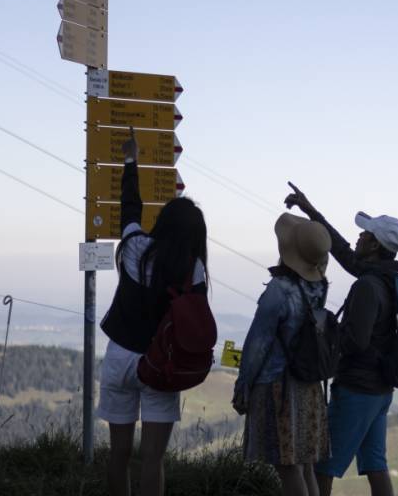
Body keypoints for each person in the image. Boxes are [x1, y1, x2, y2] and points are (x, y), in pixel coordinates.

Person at [96, 128, 209, 496]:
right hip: (162, 365)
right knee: (153, 459)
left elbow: (130, 207)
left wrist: (132, 159)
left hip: (120, 358)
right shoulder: (194, 270)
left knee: (119, 454)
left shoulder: (134, 248)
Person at [285, 183, 398, 496]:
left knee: (322, 466)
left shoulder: (368, 286)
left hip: (357, 389)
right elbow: (341, 250)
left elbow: (357, 341)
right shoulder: (386, 278)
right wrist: (311, 211)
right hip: (379, 389)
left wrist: (325, 334)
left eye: (365, 235)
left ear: (375, 245)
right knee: (375, 464)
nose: (359, 237)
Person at [232, 213, 333, 496]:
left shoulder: (280, 290)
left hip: (279, 388)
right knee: (305, 465)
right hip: (309, 385)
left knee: (288, 469)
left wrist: (243, 386)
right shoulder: (319, 285)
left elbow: (258, 344)